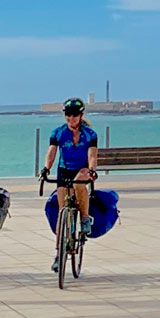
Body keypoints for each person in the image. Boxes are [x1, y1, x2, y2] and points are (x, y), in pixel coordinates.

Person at [41, 97, 98, 272]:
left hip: (81, 169)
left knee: (79, 184)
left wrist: (92, 170)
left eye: (74, 115)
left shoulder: (90, 134)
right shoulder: (58, 133)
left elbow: (92, 155)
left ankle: (85, 217)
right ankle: (59, 254)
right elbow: (52, 152)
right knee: (61, 211)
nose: (71, 118)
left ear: (81, 115)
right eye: (68, 115)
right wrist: (45, 169)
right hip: (64, 170)